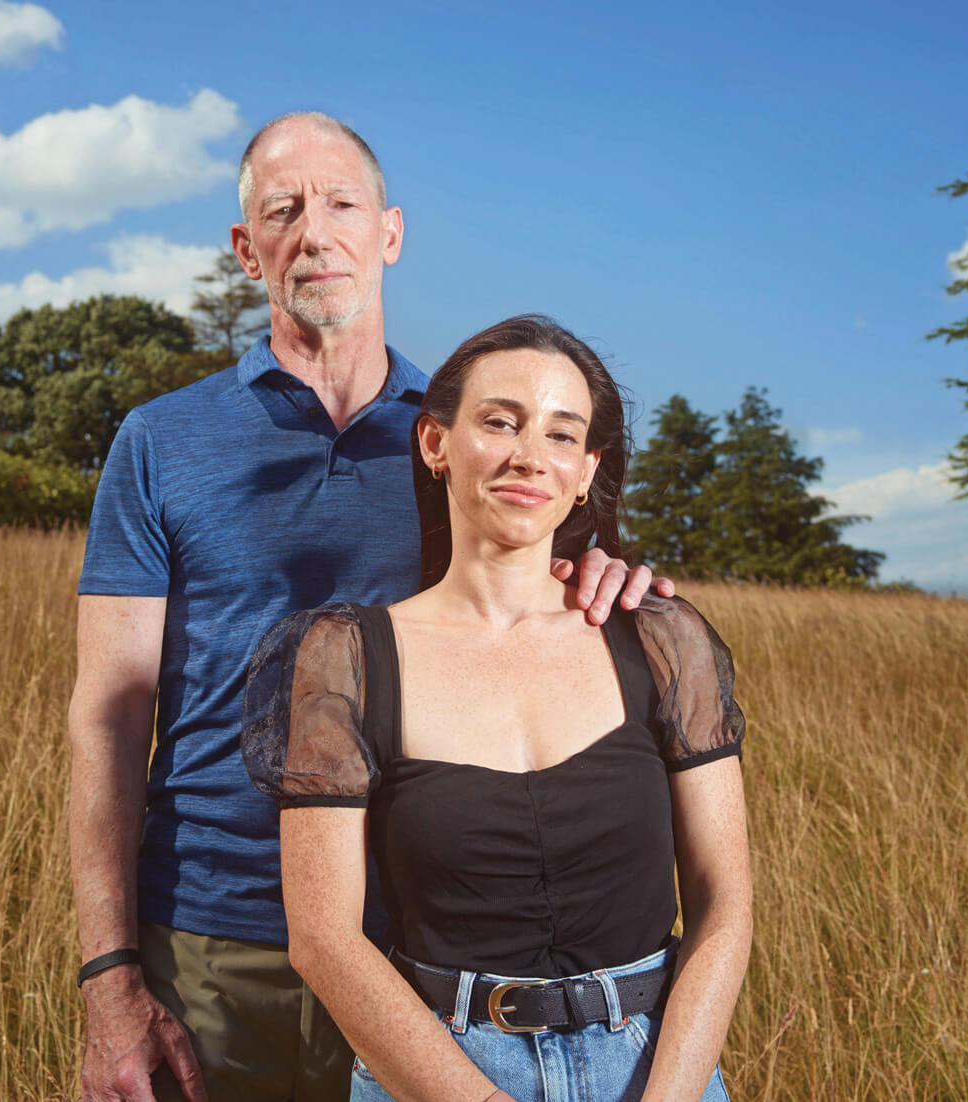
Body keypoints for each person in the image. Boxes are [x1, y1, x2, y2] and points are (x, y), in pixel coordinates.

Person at [68, 114, 668, 1102]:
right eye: (282, 209)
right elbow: (110, 711)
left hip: (423, 948)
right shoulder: (158, 442)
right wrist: (109, 974)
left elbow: (551, 597)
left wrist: (613, 576)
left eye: (342, 204)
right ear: (245, 247)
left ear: (390, 233)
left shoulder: (473, 439)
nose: (316, 231)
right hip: (214, 945)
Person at [243, 315, 751, 1102]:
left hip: (656, 1069)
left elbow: (725, 908)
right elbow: (323, 939)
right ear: (435, 444)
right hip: (439, 1072)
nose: (528, 456)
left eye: (560, 434)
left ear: (587, 470)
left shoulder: (658, 638)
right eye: (500, 421)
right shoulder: (346, 659)